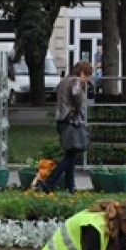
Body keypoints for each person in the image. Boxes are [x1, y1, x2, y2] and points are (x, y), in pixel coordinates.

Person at [42, 60, 94, 194]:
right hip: (70, 121)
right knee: (70, 157)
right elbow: (76, 95)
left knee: (71, 154)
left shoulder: (63, 81)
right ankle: (49, 182)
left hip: (61, 120)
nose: (87, 79)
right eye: (87, 76)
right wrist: (78, 109)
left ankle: (70, 186)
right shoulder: (76, 81)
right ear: (82, 73)